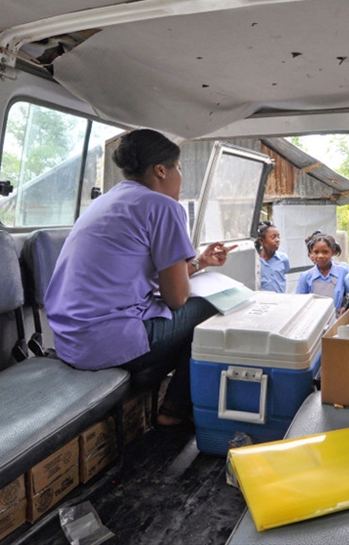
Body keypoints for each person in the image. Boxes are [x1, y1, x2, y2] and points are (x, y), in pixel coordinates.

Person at [45, 129, 233, 427]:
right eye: (179, 169)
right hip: (106, 342)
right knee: (212, 309)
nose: (180, 178)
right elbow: (176, 298)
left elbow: (142, 275)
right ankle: (174, 410)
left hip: (70, 341)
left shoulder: (105, 202)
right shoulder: (164, 207)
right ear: (161, 170)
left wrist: (199, 263)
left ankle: (166, 400)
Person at [295, 230, 347, 312]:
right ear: (311, 253)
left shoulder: (342, 272)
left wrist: (343, 308)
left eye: (325, 252)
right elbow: (299, 303)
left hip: (337, 319)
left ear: (333, 252)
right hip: (313, 320)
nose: (320, 256)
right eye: (316, 252)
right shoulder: (306, 276)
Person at [255, 220, 290, 292]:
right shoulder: (255, 262)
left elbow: (285, 271)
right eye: (273, 237)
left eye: (278, 237)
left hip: (280, 300)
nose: (277, 240)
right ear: (261, 241)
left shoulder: (283, 259)